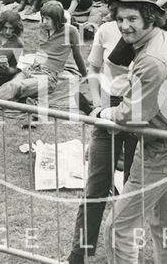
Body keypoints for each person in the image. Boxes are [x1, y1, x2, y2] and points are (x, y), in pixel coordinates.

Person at [100, 0, 167, 263]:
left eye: (131, 18)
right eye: (120, 19)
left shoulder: (153, 59)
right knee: (165, 225)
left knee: (119, 228)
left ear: (149, 17)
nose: (124, 26)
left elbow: (131, 116)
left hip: (162, 147)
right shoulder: (161, 39)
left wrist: (106, 113)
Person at [67, 16, 138, 263]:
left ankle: (123, 253)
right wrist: (97, 105)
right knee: (96, 184)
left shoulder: (151, 36)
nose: (126, 20)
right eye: (120, 12)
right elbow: (94, 70)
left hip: (140, 109)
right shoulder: (106, 30)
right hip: (109, 106)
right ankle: (79, 253)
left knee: (131, 186)